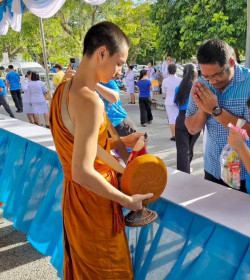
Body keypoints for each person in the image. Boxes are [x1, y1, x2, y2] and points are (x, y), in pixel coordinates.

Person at [49, 21, 153, 280]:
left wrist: (122, 143)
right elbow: (83, 171)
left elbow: (81, 143)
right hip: (94, 201)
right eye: (119, 62)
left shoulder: (63, 90)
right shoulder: (90, 101)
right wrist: (128, 201)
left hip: (74, 198)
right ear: (102, 53)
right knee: (108, 270)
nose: (120, 71)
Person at [185, 39, 250, 192]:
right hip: (213, 168)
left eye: (217, 75)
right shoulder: (202, 84)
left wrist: (216, 110)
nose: (213, 81)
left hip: (245, 172)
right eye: (207, 76)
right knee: (213, 214)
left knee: (241, 215)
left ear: (231, 62)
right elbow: (191, 128)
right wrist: (204, 107)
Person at [174, 63, 200, 173]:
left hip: (181, 118)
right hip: (196, 119)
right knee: (190, 147)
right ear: (196, 74)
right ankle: (187, 167)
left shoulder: (178, 88)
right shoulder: (198, 88)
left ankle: (184, 172)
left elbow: (176, 103)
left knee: (182, 149)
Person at [162, 64, 182, 141]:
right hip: (178, 101)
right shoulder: (180, 80)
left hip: (169, 101)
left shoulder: (165, 80)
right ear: (176, 70)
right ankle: (179, 134)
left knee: (171, 118)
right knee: (178, 117)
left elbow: (164, 91)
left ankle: (174, 135)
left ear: (168, 71)